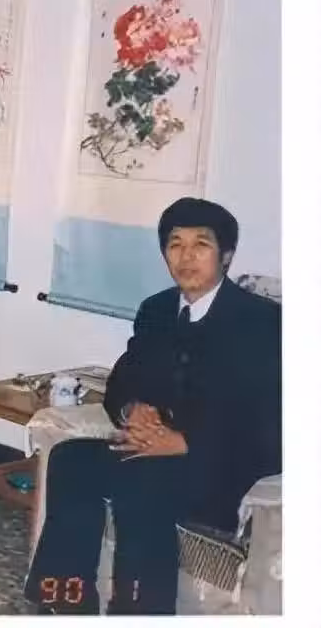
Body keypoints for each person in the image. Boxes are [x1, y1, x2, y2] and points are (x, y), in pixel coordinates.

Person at [24, 197, 281, 615]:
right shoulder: (157, 310)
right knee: (71, 459)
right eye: (175, 245)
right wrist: (133, 409)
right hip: (152, 449)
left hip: (221, 463)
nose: (186, 256)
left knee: (141, 483)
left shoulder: (262, 323)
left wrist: (185, 442)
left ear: (226, 255)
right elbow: (123, 379)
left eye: (201, 245)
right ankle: (67, 602)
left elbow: (272, 425)